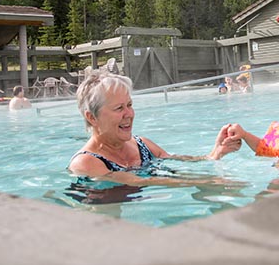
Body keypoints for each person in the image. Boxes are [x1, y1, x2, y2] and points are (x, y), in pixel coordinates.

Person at [68, 70, 242, 185]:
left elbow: (175, 159)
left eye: (129, 105)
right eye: (119, 108)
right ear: (92, 117)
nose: (129, 114)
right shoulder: (86, 162)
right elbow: (141, 182)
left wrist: (214, 154)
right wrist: (206, 182)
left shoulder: (142, 144)